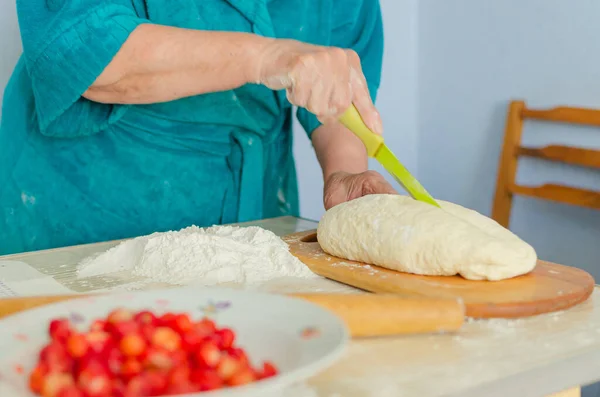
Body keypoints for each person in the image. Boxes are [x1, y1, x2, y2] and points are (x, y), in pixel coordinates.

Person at [0, 0, 396, 255]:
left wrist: (343, 172)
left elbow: (335, 75)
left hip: (254, 214)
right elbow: (88, 50)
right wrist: (269, 57)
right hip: (90, 205)